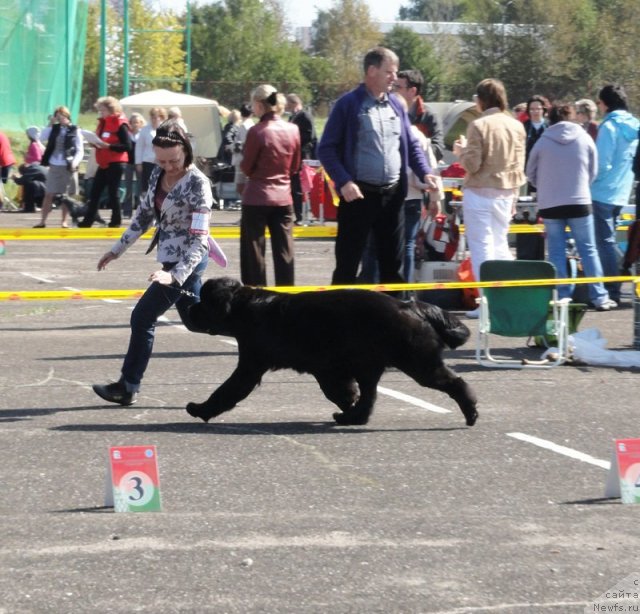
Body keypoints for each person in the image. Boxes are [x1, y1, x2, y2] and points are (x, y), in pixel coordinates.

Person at [90, 120, 215, 406]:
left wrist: (174, 275)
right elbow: (145, 215)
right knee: (197, 320)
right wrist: (117, 249)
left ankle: (128, 386)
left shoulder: (198, 184)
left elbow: (199, 240)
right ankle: (255, 329)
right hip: (170, 259)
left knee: (143, 317)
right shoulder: (157, 174)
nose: (168, 166)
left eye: (173, 160)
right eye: (161, 160)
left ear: (186, 150)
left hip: (186, 261)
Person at [317, 46, 437, 288]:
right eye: (389, 72)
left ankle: (397, 320)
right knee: (348, 265)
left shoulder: (396, 105)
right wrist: (344, 181)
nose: (394, 77)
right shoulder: (348, 104)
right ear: (372, 71)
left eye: (395, 73)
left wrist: (425, 172)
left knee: (394, 266)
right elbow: (326, 149)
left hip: (392, 197)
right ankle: (339, 321)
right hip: (358, 196)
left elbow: (411, 145)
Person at [526, 102, 615, 311]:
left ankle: (563, 296)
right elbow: (594, 170)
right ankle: (599, 296)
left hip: (550, 205)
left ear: (551, 119)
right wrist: (582, 186)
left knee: (556, 251)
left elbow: (530, 171)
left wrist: (544, 186)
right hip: (580, 202)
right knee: (589, 250)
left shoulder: (543, 141)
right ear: (572, 116)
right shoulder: (584, 138)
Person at [453, 78, 526, 317]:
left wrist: (460, 152)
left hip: (479, 192)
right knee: (501, 246)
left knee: (481, 247)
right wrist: (514, 195)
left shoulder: (479, 125)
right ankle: (509, 298)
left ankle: (486, 304)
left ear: (481, 99)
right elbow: (519, 165)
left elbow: (472, 164)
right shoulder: (517, 126)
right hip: (506, 192)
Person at [239, 84, 301, 286]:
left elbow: (247, 168)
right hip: (283, 197)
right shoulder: (293, 130)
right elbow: (295, 166)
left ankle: (256, 297)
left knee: (254, 252)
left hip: (257, 197)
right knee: (285, 251)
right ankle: (286, 296)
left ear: (259, 105)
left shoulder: (257, 131)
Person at [590, 84, 640, 305]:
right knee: (611, 241)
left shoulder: (608, 127)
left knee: (604, 242)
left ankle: (611, 289)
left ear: (605, 104)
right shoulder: (635, 125)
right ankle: (615, 282)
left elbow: (601, 164)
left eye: (599, 103)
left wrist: (588, 181)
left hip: (602, 192)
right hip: (622, 191)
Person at [79, 96, 132, 228]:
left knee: (113, 192)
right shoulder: (102, 122)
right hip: (103, 162)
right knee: (95, 192)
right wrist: (95, 143)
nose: (100, 113)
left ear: (111, 109)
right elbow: (101, 140)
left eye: (103, 110)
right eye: (100, 110)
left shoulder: (121, 123)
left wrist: (108, 146)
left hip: (116, 162)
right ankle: (88, 221)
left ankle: (116, 221)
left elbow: (127, 146)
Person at [33, 106, 84, 228]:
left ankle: (64, 221)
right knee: (49, 193)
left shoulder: (74, 129)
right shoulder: (53, 129)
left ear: (67, 116)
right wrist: (50, 124)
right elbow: (40, 138)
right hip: (54, 164)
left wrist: (74, 163)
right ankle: (42, 221)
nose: (60, 118)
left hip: (68, 165)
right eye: (58, 115)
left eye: (62, 115)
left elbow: (79, 150)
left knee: (66, 196)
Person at [394, 69, 445, 162]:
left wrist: (415, 150)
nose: (393, 91)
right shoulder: (390, 112)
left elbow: (438, 150)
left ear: (413, 91)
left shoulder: (429, 116)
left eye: (398, 87)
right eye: (394, 87)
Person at [285, 93, 317, 224]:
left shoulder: (304, 116)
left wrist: (295, 140)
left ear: (293, 103)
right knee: (294, 187)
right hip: (293, 156)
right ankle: (298, 214)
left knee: (301, 187)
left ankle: (302, 215)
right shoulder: (292, 117)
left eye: (287, 104)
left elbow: (311, 136)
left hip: (303, 156)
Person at [136, 107, 168, 196]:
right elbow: (139, 146)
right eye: (152, 117)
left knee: (160, 186)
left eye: (156, 117)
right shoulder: (145, 129)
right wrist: (138, 163)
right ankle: (149, 206)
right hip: (147, 162)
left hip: (162, 163)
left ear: (161, 117)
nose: (153, 119)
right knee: (147, 187)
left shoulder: (166, 129)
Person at [123, 111, 145, 218]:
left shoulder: (143, 134)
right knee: (128, 188)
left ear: (141, 123)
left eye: (137, 122)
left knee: (140, 188)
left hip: (139, 163)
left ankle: (140, 210)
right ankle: (127, 211)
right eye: (133, 122)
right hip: (128, 163)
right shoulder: (128, 134)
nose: (135, 124)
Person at [231, 103, 254, 197]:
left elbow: (242, 143)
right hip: (246, 158)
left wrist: (231, 147)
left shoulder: (244, 126)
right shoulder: (251, 125)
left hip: (242, 159)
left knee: (240, 185)